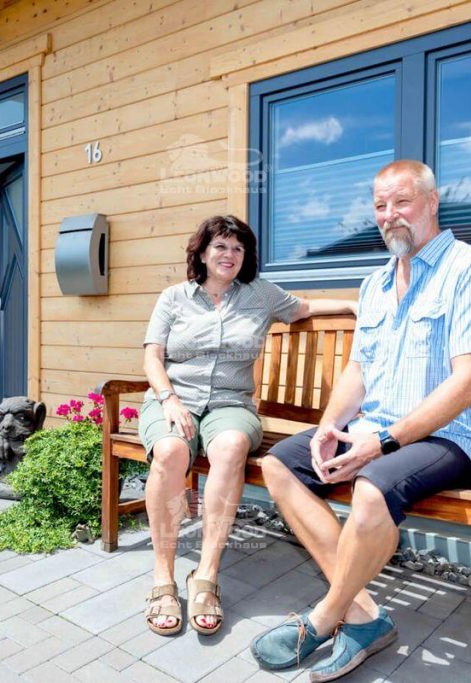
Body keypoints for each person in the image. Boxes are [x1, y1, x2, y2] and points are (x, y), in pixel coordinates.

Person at [251, 160, 471, 681]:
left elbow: (470, 383)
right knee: (280, 465)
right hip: (379, 429)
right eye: (380, 206)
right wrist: (328, 427)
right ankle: (365, 614)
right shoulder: (374, 283)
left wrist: (383, 442)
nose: (390, 216)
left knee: (371, 487)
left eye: (402, 203)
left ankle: (324, 617)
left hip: (456, 437)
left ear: (432, 203)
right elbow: (359, 370)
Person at [141, 215, 357, 637]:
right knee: (170, 452)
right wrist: (168, 399)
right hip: (172, 400)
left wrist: (353, 304)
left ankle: (206, 576)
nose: (230, 255)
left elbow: (304, 308)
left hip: (230, 403)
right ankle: (163, 577)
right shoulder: (174, 298)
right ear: (202, 252)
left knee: (232, 445)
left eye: (238, 249)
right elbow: (153, 357)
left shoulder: (259, 295)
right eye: (221, 246)